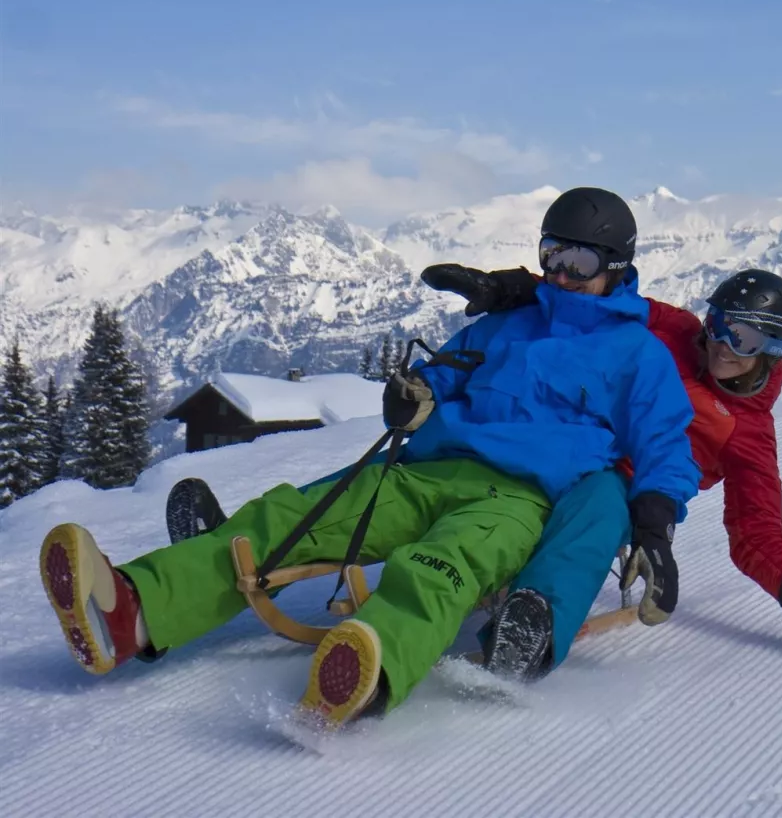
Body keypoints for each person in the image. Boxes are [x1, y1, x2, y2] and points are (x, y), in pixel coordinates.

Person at [40, 187, 702, 727]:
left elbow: (666, 446)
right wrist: (415, 391)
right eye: (552, 254)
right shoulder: (508, 323)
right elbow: (447, 374)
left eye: (579, 264)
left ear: (616, 265)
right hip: (425, 467)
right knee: (291, 518)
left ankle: (374, 664)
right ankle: (133, 609)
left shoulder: (638, 356)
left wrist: (655, 528)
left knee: (440, 568)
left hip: (518, 498)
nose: (560, 273)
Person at [171, 267, 782, 683]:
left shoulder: (748, 436)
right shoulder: (673, 331)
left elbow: (755, 535)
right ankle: (249, 538)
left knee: (595, 509)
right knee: (408, 462)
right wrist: (515, 291)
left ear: (773, 352)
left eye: (743, 337)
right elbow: (598, 296)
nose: (719, 342)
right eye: (718, 320)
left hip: (614, 485)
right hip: (545, 440)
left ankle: (534, 620)